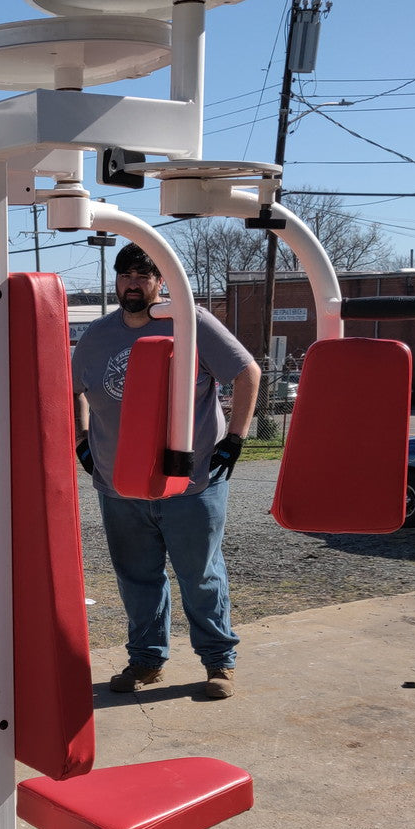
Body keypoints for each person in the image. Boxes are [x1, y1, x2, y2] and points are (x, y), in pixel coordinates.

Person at [71, 243, 260, 700]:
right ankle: (146, 659)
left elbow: (247, 372)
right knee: (137, 577)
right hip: (120, 483)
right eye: (125, 275)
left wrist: (235, 437)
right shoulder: (97, 335)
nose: (133, 284)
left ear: (161, 281)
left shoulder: (191, 323)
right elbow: (72, 387)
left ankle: (218, 661)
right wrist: (82, 438)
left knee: (200, 575)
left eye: (143, 275)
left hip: (190, 482)